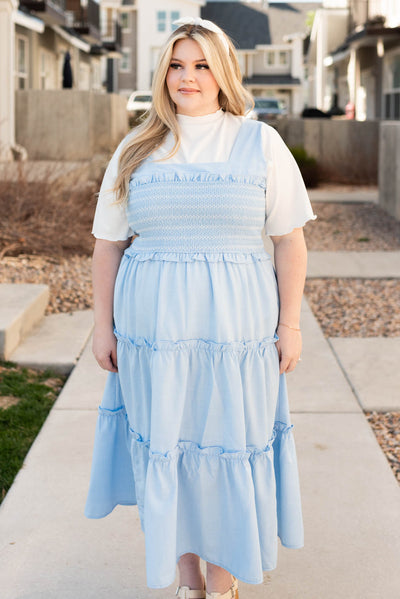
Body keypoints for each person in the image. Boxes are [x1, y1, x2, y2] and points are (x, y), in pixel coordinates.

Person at [84, 16, 316, 599]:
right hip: (152, 331)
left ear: (224, 72)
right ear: (165, 73)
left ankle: (224, 580)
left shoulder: (259, 141)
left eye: (203, 64)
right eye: (178, 65)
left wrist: (289, 324)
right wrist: (100, 326)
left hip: (238, 331)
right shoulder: (136, 148)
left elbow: (289, 240)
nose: (189, 77)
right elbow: (108, 245)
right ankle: (189, 583)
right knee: (172, 447)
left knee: (230, 445)